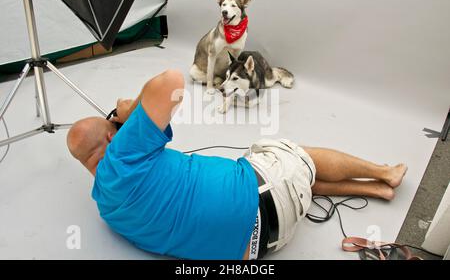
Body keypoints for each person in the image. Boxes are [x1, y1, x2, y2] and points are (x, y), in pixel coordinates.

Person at [66, 69, 407, 260]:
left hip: (262, 248)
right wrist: (128, 111)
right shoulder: (123, 151)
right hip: (267, 194)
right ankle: (384, 173)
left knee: (281, 175)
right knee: (291, 153)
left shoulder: (105, 209)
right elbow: (170, 82)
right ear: (112, 137)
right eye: (112, 123)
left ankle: (372, 189)